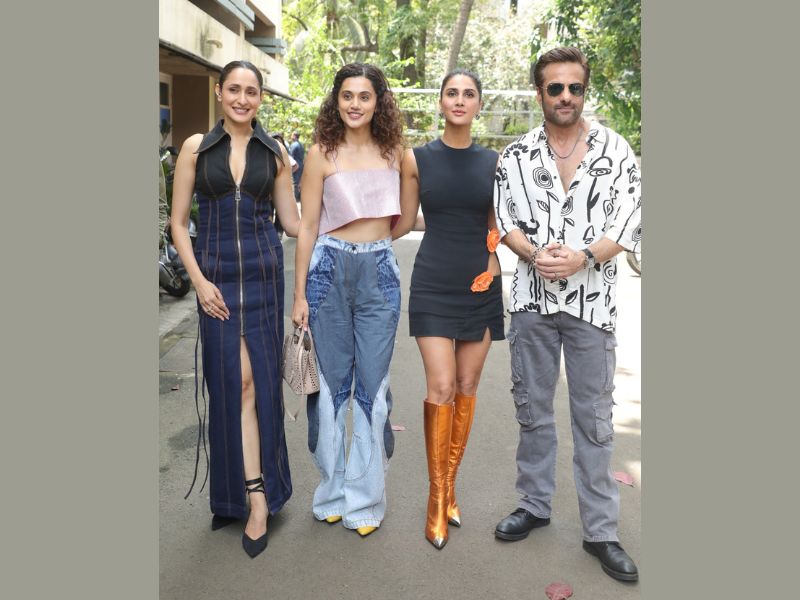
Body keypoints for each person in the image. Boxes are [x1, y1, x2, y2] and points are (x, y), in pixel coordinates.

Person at [492, 47, 641, 582]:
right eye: (555, 88)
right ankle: (533, 505)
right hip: (531, 302)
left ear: (584, 91)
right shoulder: (515, 155)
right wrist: (534, 254)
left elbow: (629, 219)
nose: (565, 96)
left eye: (574, 87)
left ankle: (601, 531)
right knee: (532, 409)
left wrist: (584, 257)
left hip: (592, 303)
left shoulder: (615, 150)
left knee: (594, 419)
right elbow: (505, 219)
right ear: (540, 93)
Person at [171, 60, 300, 559]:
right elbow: (178, 224)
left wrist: (342, 201)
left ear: (260, 98)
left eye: (251, 91)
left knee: (256, 385)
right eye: (234, 90)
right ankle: (232, 497)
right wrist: (199, 283)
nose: (243, 99)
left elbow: (292, 222)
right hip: (216, 284)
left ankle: (259, 498)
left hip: (264, 282)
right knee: (230, 385)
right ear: (219, 93)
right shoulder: (195, 149)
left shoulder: (276, 153)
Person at [291, 63, 404, 537]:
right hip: (328, 272)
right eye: (347, 96)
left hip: (379, 272)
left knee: (372, 392)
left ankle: (366, 499)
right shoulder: (321, 154)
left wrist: (377, 245)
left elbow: (403, 218)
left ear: (379, 102)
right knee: (331, 391)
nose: (355, 104)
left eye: (364, 96)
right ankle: (332, 493)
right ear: (336, 100)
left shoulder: (396, 152)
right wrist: (299, 293)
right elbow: (307, 227)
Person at [392, 69, 503, 549]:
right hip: (433, 283)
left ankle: (449, 487)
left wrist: (493, 267)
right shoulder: (415, 158)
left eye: (469, 94)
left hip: (480, 284)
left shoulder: (496, 162)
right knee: (440, 386)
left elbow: (496, 225)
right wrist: (345, 231)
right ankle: (436, 499)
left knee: (466, 386)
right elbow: (401, 222)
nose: (460, 100)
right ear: (440, 102)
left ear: (479, 104)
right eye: (452, 93)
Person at [289, 131, 305, 201]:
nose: (291, 136)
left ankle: (296, 198)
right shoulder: (301, 145)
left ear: (294, 136)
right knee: (299, 181)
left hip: (295, 165)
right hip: (301, 165)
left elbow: (291, 156)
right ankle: (299, 196)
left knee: (295, 181)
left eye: (292, 135)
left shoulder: (294, 145)